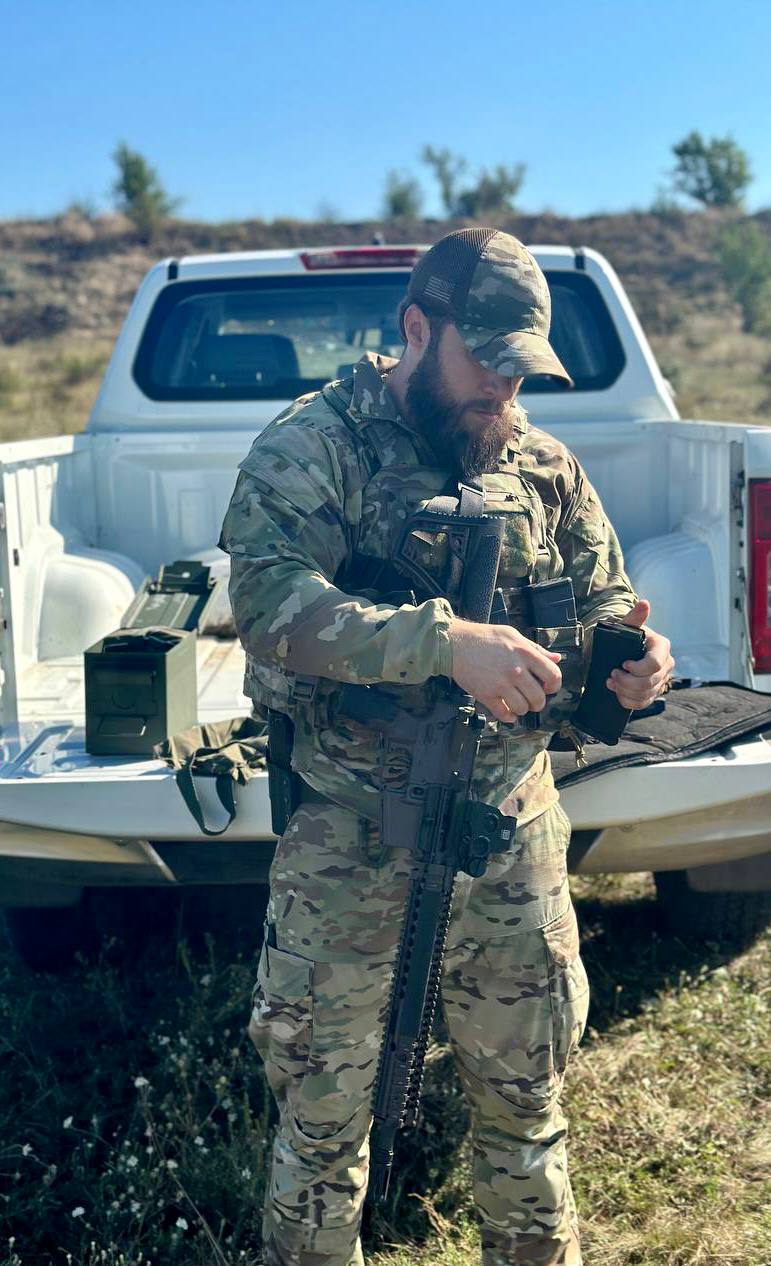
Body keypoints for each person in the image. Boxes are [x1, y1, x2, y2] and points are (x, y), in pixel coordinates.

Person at [219, 228, 674, 1266]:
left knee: (527, 1114)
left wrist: (641, 660)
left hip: (510, 840)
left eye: (522, 368)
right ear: (415, 330)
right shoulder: (313, 444)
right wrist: (439, 642)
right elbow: (271, 603)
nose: (504, 388)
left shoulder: (544, 465)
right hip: (352, 846)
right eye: (487, 360)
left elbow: (609, 602)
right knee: (324, 1129)